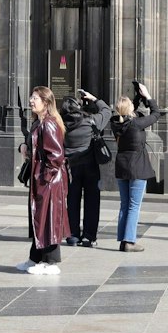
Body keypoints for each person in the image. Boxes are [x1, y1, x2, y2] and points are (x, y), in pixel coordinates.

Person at [18, 86, 69, 274]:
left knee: (49, 219)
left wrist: (44, 177)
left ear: (45, 102)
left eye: (35, 98)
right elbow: (36, 145)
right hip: (42, 178)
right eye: (31, 98)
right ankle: (35, 258)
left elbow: (56, 156)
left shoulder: (49, 123)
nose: (31, 101)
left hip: (49, 181)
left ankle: (51, 262)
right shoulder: (38, 122)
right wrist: (23, 145)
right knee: (39, 218)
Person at [60, 89, 111, 247]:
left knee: (72, 200)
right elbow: (107, 111)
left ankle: (72, 236)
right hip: (90, 165)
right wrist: (94, 98)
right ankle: (89, 236)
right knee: (92, 201)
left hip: (71, 166)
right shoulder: (90, 120)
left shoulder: (60, 124)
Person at [111, 84, 157, 252]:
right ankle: (129, 241)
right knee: (133, 206)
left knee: (125, 204)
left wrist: (138, 97)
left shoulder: (115, 123)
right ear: (129, 110)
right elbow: (156, 114)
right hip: (137, 167)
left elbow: (131, 111)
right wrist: (149, 96)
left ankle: (123, 240)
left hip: (122, 166)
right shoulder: (136, 124)